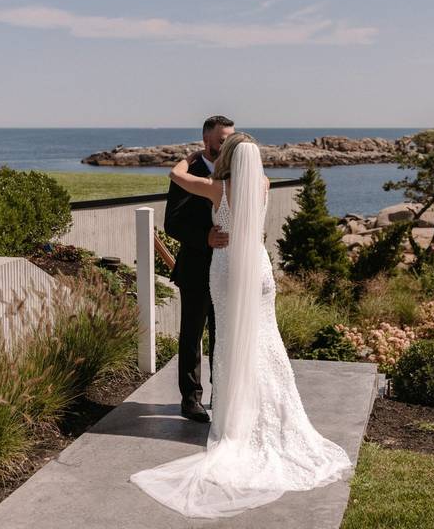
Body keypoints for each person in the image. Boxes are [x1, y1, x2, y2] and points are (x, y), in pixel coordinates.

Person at [130, 132, 352, 518]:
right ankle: (272, 416)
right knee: (264, 340)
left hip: (229, 270)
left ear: (229, 157)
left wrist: (191, 155)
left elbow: (175, 174)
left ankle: (236, 418)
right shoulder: (263, 186)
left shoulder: (218, 188)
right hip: (259, 270)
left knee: (230, 342)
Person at [163, 115, 234, 422]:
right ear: (206, 140)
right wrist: (204, 237)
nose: (226, 144)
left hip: (228, 269)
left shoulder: (236, 172)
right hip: (195, 267)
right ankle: (190, 399)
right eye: (222, 140)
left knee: (223, 334)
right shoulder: (188, 173)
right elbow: (172, 223)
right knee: (192, 335)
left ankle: (222, 392)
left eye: (230, 139)